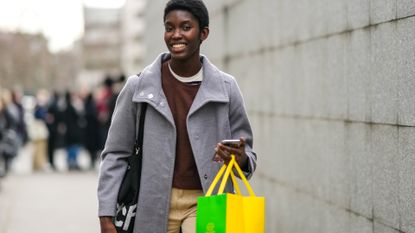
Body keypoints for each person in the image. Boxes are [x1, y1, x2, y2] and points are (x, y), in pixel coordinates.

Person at [98, 0, 257, 232]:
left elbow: (248, 156)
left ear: (203, 33)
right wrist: (105, 213)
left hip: (207, 200)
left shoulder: (226, 88)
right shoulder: (138, 87)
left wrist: (241, 157)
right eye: (169, 27)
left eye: (185, 27)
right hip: (152, 204)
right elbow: (115, 153)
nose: (176, 35)